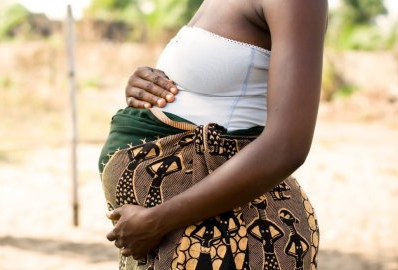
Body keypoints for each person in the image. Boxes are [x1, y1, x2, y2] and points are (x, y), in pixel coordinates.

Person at [99, 0, 327, 269]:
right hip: (180, 231)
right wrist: (145, 88)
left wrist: (157, 220)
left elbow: (288, 147)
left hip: (224, 234)